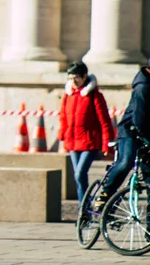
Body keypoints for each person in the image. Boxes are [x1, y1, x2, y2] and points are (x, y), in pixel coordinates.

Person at [95, 58, 150, 208]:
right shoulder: (143, 88)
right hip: (130, 131)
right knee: (126, 162)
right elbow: (139, 119)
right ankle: (105, 194)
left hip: (147, 134)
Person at [58, 62, 114, 205]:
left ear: (84, 77)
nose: (73, 81)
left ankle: (84, 206)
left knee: (79, 174)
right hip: (72, 142)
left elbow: (105, 122)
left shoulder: (95, 96)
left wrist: (107, 144)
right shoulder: (67, 95)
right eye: (70, 78)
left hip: (89, 143)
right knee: (78, 178)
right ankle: (83, 209)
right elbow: (63, 116)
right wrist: (62, 136)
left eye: (76, 77)